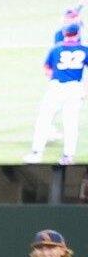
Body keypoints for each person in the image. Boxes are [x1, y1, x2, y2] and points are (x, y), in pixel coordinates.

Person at [25, 22, 86, 165]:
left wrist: (55, 75)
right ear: (77, 34)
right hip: (75, 88)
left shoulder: (56, 48)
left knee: (44, 119)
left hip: (57, 87)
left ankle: (36, 153)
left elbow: (47, 68)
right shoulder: (84, 49)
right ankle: (68, 156)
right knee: (71, 122)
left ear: (65, 33)